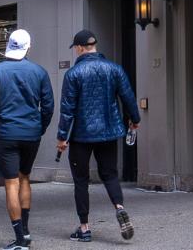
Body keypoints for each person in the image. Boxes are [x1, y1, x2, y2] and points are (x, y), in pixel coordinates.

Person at [56, 30, 140, 243]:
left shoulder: (73, 74)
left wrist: (62, 137)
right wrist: (135, 119)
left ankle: (84, 228)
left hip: (81, 136)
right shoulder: (114, 69)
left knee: (81, 181)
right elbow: (128, 96)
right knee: (110, 174)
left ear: (81, 47)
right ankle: (119, 208)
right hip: (109, 132)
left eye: (75, 47)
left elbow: (67, 109)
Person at [0, 29, 55, 250]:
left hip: (4, 134)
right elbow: (48, 106)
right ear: (28, 47)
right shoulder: (39, 72)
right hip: (31, 134)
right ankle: (26, 230)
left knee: (11, 183)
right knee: (25, 179)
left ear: (8, 45)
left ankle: (20, 238)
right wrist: (39, 128)